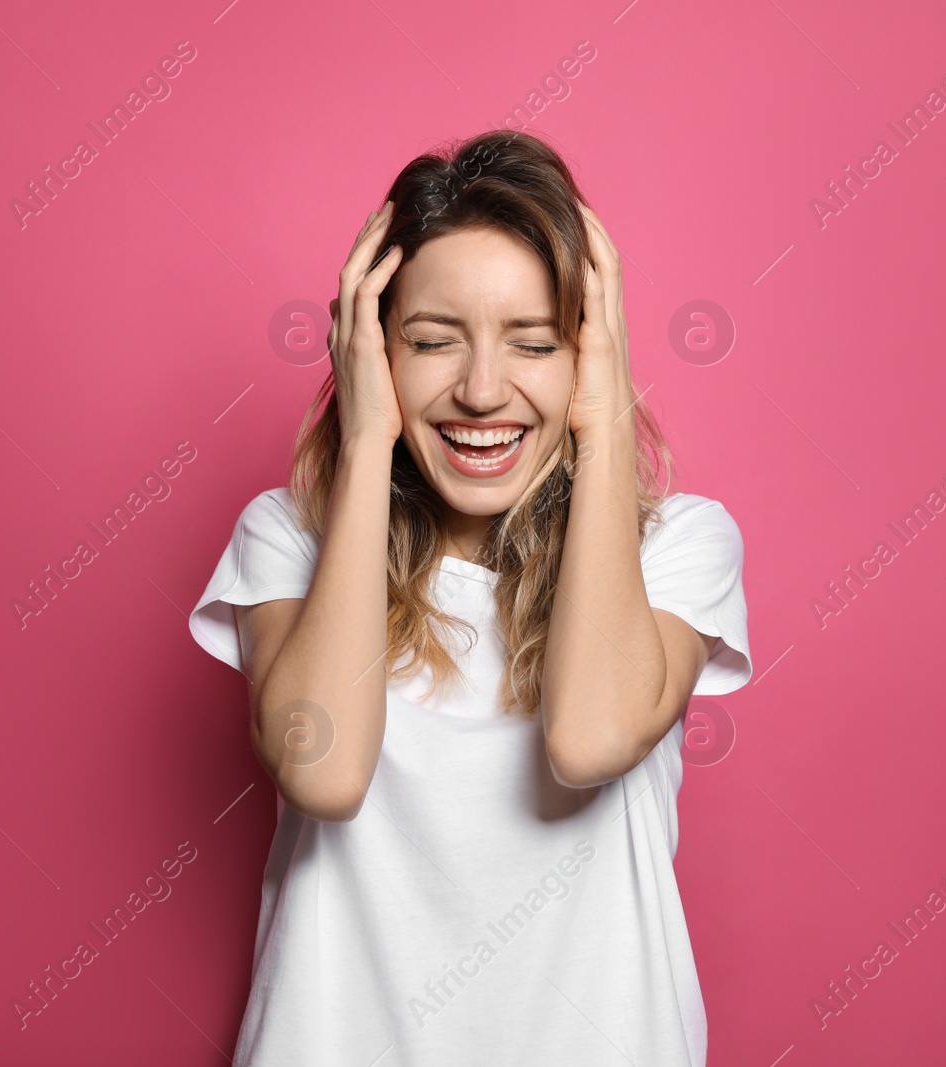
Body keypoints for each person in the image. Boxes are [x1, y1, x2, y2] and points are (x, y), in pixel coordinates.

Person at [188, 129, 751, 1066]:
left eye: (533, 343)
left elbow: (592, 736)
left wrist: (604, 422)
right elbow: (323, 773)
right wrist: (366, 439)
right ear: (373, 350)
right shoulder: (287, 540)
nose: (482, 391)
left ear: (587, 355)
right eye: (431, 342)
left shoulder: (682, 545)